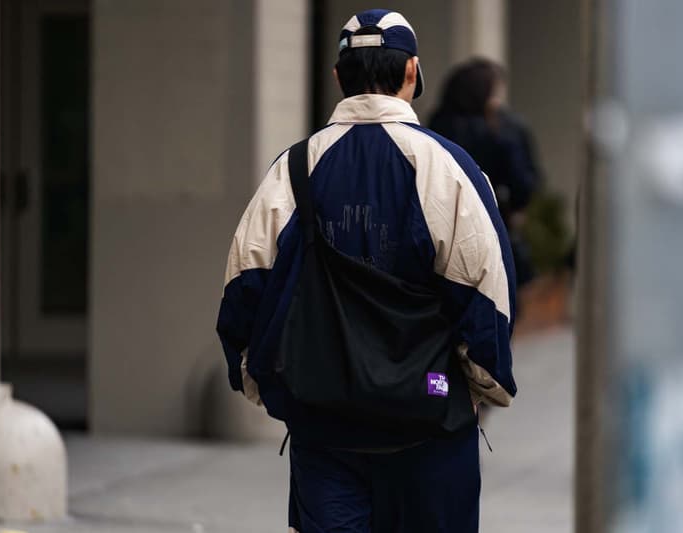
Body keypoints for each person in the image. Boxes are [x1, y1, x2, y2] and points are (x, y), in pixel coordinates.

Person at [216, 9, 517, 533]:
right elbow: (486, 299)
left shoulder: (292, 170)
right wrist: (465, 389)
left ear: (338, 77)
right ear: (411, 74)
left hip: (324, 425)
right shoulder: (449, 170)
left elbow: (245, 288)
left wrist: (274, 387)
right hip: (431, 420)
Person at [429, 58, 541, 289]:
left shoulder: (437, 125)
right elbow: (525, 183)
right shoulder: (503, 130)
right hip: (493, 229)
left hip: (440, 231)